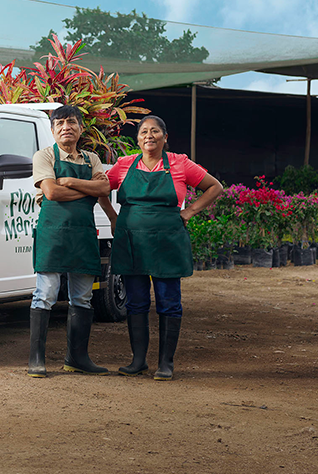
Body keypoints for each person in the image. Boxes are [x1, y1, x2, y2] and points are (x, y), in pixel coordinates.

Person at [99, 115, 222, 381]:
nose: (149, 136)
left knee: (168, 303)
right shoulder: (124, 164)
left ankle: (166, 363)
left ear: (165, 138)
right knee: (136, 303)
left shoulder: (180, 163)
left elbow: (214, 187)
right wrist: (112, 216)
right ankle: (138, 361)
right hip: (132, 240)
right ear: (138, 139)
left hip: (167, 241)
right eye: (144, 131)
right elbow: (101, 189)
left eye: (155, 131)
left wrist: (189, 211)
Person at [28, 104, 111, 378]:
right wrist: (87, 189)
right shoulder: (44, 156)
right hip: (53, 233)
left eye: (72, 122)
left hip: (83, 234)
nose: (67, 127)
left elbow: (104, 189)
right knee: (46, 293)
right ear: (52, 130)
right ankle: (36, 359)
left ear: (81, 128)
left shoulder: (92, 159)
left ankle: (77, 358)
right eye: (60, 123)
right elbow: (51, 192)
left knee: (83, 298)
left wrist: (71, 182)